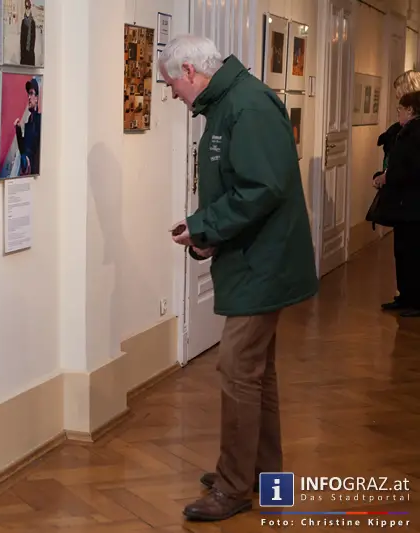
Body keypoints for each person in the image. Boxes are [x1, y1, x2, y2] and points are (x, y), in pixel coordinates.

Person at [160, 35, 318, 521]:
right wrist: (207, 233)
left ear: (190, 72)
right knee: (256, 374)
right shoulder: (231, 102)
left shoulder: (246, 106)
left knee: (236, 370)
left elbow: (261, 188)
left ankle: (233, 488)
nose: (171, 94)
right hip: (256, 258)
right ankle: (263, 476)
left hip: (263, 264)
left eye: (171, 84)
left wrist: (205, 226)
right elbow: (243, 186)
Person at [375, 70, 420, 312]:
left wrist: (388, 175)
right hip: (404, 199)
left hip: (413, 199)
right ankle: (406, 295)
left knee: (412, 249)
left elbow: (411, 164)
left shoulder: (415, 129)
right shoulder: (404, 127)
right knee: (403, 249)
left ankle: (414, 299)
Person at [14, 78, 42, 175]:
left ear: (37, 98)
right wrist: (18, 130)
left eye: (31, 93)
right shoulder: (30, 120)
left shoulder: (40, 120)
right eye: (28, 94)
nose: (29, 97)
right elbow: (24, 151)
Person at [20, 0, 36, 66]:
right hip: (24, 51)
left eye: (28, 7)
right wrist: (21, 51)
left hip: (30, 51)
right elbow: (21, 38)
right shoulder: (23, 21)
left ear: (30, 8)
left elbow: (33, 38)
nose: (27, 9)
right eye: (26, 7)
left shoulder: (33, 22)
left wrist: (31, 50)